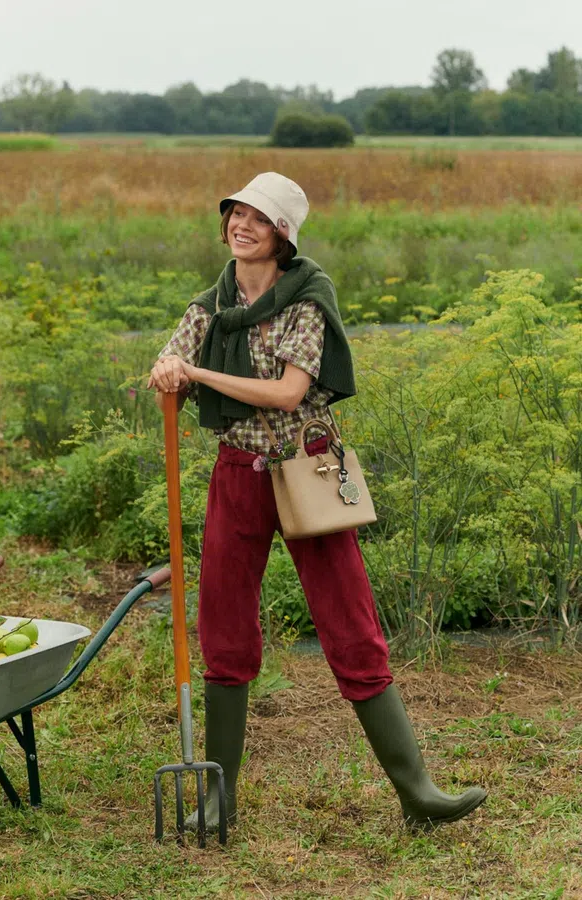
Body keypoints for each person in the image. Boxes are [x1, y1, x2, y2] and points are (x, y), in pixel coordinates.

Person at [147, 172, 487, 831]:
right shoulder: (206, 307)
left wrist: (195, 372)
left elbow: (285, 392)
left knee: (350, 625)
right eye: (235, 213)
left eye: (258, 218)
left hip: (307, 471)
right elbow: (168, 369)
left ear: (282, 236)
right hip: (238, 477)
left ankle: (418, 794)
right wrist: (167, 372)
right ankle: (219, 802)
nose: (241, 225)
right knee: (223, 631)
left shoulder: (307, 299)